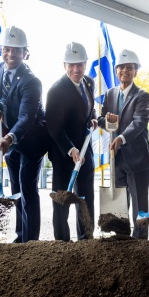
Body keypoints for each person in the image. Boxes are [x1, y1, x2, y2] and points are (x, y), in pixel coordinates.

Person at [0, 26, 49, 243]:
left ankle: (30, 243)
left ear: (25, 53)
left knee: (27, 187)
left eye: (16, 50)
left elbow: (26, 118)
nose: (10, 55)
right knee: (15, 189)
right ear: (1, 50)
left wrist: (9, 138)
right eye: (6, 49)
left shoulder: (31, 81)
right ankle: (21, 236)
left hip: (31, 139)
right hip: (8, 140)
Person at [97, 49, 149, 239]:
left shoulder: (142, 96)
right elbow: (102, 117)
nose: (125, 71)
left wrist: (121, 138)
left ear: (136, 71)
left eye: (130, 68)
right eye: (121, 67)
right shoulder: (110, 94)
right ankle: (121, 239)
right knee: (119, 204)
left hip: (137, 159)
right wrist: (104, 120)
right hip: (116, 159)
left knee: (139, 206)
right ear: (116, 70)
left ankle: (141, 243)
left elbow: (138, 123)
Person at [47, 42, 98, 241]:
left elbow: (86, 110)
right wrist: (70, 149)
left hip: (85, 152)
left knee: (86, 199)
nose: (76, 69)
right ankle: (62, 243)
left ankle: (86, 239)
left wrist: (93, 117)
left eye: (80, 65)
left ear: (85, 64)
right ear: (64, 65)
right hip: (63, 154)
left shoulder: (89, 83)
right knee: (62, 202)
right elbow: (54, 127)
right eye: (71, 65)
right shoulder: (56, 91)